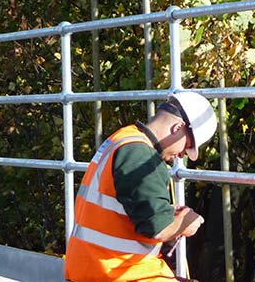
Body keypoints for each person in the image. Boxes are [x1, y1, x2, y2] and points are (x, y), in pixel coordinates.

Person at [64, 90, 218, 282]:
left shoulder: (124, 138)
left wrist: (166, 212)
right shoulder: (140, 156)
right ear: (177, 127)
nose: (181, 155)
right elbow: (158, 228)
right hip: (115, 273)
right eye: (187, 146)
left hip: (94, 267)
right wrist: (187, 222)